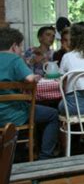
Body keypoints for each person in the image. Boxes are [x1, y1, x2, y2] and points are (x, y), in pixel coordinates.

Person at [0, 27, 58, 159]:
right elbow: (30, 79)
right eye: (20, 46)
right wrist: (36, 77)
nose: (21, 50)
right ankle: (45, 157)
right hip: (14, 115)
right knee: (53, 115)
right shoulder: (14, 59)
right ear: (14, 46)